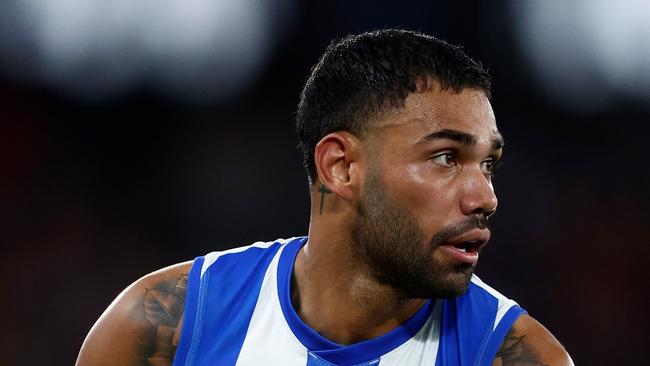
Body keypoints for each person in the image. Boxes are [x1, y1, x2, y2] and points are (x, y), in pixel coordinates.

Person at [77, 29, 573, 366]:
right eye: (446, 158)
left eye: (488, 163)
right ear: (340, 167)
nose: (485, 196)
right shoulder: (165, 329)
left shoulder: (512, 354)